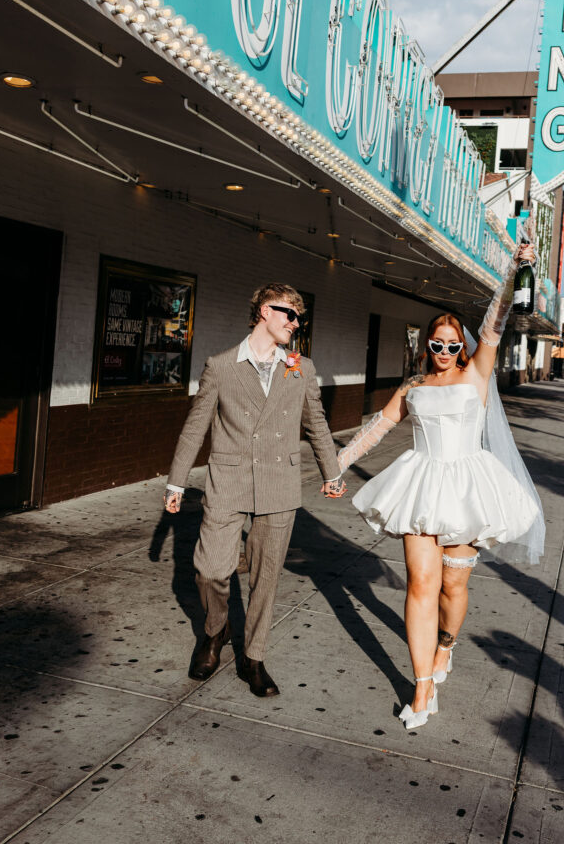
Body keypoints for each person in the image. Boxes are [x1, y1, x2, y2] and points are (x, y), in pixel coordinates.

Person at [336, 244, 544, 729]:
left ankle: (446, 646)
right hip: (422, 486)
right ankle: (422, 686)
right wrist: (337, 463)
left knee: (454, 585)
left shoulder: (475, 375)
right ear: (426, 345)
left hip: (469, 488)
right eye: (438, 344)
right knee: (421, 584)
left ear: (463, 348)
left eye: (453, 344)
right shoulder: (413, 387)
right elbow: (378, 428)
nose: (446, 351)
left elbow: (494, 322)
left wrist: (514, 269)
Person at [164, 283, 345, 696]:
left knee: (266, 577)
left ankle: (254, 657)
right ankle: (216, 630)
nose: (296, 324)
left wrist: (330, 472)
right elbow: (196, 428)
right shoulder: (222, 365)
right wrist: (176, 481)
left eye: (300, 317)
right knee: (210, 570)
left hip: (280, 483)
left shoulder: (300, 367)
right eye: (289, 315)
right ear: (265, 311)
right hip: (228, 481)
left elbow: (316, 423)